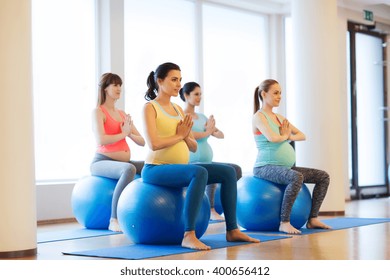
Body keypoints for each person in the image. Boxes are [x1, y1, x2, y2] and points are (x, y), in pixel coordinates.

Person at [142, 62, 259, 250]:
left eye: (180, 79)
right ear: (159, 81)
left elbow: (193, 146)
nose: (178, 84)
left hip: (180, 167)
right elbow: (154, 144)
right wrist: (180, 135)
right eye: (173, 79)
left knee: (228, 172)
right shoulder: (150, 108)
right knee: (199, 172)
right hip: (156, 169)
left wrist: (187, 136)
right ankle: (189, 235)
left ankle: (232, 230)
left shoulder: (178, 110)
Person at [252, 79, 331, 234]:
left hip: (285, 167)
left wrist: (288, 136)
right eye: (275, 93)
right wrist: (285, 135)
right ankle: (284, 222)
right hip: (265, 167)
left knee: (323, 177)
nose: (279, 96)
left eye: (280, 93)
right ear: (263, 94)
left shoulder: (280, 118)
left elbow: (302, 135)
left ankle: (313, 219)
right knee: (296, 177)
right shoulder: (259, 117)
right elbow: (272, 138)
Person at [179, 82, 242, 221]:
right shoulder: (182, 116)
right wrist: (208, 131)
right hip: (191, 160)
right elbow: (190, 135)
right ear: (186, 95)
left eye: (200, 94)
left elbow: (220, 134)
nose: (199, 97)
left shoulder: (202, 117)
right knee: (207, 171)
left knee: (235, 169)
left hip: (206, 158)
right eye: (196, 94)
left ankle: (215, 209)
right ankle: (209, 209)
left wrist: (212, 129)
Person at [91, 73, 145, 232]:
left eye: (120, 85)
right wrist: (123, 133)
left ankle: (140, 213)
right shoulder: (98, 112)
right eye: (114, 85)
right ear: (105, 88)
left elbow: (142, 141)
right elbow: (101, 140)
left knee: (151, 165)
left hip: (123, 162)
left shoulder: (122, 114)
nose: (118, 88)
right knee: (129, 169)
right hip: (101, 162)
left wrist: (128, 133)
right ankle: (114, 219)